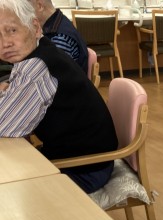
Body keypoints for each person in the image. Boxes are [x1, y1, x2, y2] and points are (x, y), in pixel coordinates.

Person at [0, 0, 117, 194]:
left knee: (9, 190)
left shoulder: (36, 69)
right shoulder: (43, 48)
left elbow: (4, 125)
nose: (5, 43)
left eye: (12, 30)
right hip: (82, 156)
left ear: (35, 27)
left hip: (84, 168)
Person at [29, 0, 88, 72]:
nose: (24, 14)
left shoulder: (59, 37)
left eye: (26, 8)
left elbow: (56, 74)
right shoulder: (57, 23)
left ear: (40, 6)